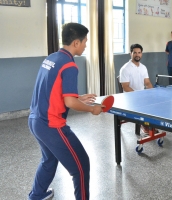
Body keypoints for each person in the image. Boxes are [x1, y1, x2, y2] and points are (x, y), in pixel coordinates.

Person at [28, 23, 104, 200]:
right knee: (81, 167)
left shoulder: (52, 58)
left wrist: (80, 97)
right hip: (52, 125)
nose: (86, 45)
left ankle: (37, 195)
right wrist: (92, 109)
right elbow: (69, 102)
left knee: (49, 160)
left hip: (35, 120)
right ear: (76, 42)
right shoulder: (70, 65)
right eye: (85, 41)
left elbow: (53, 91)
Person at [120, 44, 153, 133]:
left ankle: (151, 126)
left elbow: (147, 82)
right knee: (144, 105)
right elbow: (125, 87)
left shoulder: (143, 67)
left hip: (141, 96)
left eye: (139, 53)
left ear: (141, 54)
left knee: (154, 103)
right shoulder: (125, 69)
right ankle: (146, 126)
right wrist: (138, 96)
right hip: (130, 98)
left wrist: (153, 92)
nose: (137, 55)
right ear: (130, 54)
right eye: (135, 53)